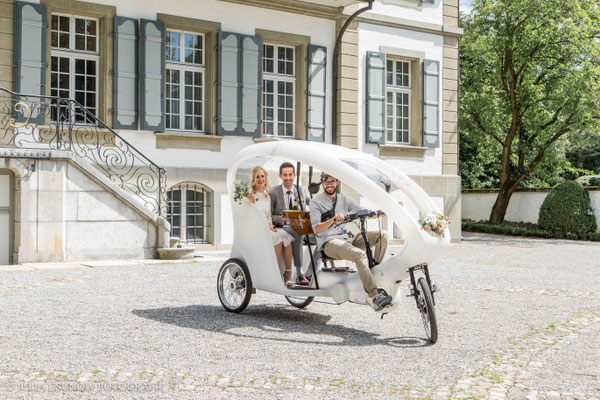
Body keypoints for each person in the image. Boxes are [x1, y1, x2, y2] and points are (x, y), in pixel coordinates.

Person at [309, 172, 391, 312]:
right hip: (329, 242)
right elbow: (317, 229)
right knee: (360, 255)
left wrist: (378, 213)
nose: (330, 184)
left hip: (347, 239)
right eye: (326, 181)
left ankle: (372, 274)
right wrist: (333, 219)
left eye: (332, 181)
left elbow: (362, 211)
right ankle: (374, 296)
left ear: (337, 182)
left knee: (383, 235)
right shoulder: (315, 203)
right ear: (321, 183)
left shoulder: (344, 199)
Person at [247, 166, 295, 287]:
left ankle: (288, 272)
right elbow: (252, 214)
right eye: (257, 177)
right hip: (257, 227)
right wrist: (252, 202)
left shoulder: (267, 194)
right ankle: (275, 272)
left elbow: (269, 214)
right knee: (277, 238)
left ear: (266, 178)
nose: (260, 179)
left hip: (269, 225)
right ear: (253, 179)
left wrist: (270, 224)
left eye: (262, 176)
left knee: (287, 236)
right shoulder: (250, 195)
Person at [270, 162, 311, 286]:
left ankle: (313, 271)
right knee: (299, 232)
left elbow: (312, 204)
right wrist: (284, 219)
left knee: (320, 234)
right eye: (285, 175)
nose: (288, 178)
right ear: (280, 176)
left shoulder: (301, 190)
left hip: (300, 225)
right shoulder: (274, 192)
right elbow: (270, 215)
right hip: (283, 227)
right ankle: (299, 272)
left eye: (290, 175)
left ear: (295, 175)